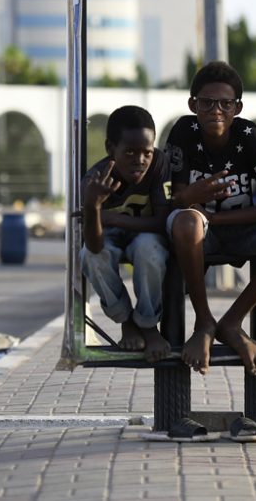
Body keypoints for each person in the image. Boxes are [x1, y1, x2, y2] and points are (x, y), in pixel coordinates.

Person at [165, 61, 256, 378]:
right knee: (188, 222)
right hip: (199, 232)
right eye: (206, 103)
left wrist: (217, 219)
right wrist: (196, 193)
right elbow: (174, 200)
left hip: (239, 228)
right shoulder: (184, 132)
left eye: (225, 104)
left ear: (237, 107)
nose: (215, 110)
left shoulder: (247, 135)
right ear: (193, 105)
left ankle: (232, 320)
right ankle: (204, 322)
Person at [81, 105, 171, 363]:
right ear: (111, 148)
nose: (140, 159)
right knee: (90, 256)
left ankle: (147, 323)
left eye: (146, 152)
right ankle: (126, 320)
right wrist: (92, 207)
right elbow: (95, 245)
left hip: (145, 234)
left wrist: (110, 217)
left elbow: (161, 222)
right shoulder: (96, 180)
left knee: (149, 249)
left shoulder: (159, 165)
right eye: (129, 151)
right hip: (108, 238)